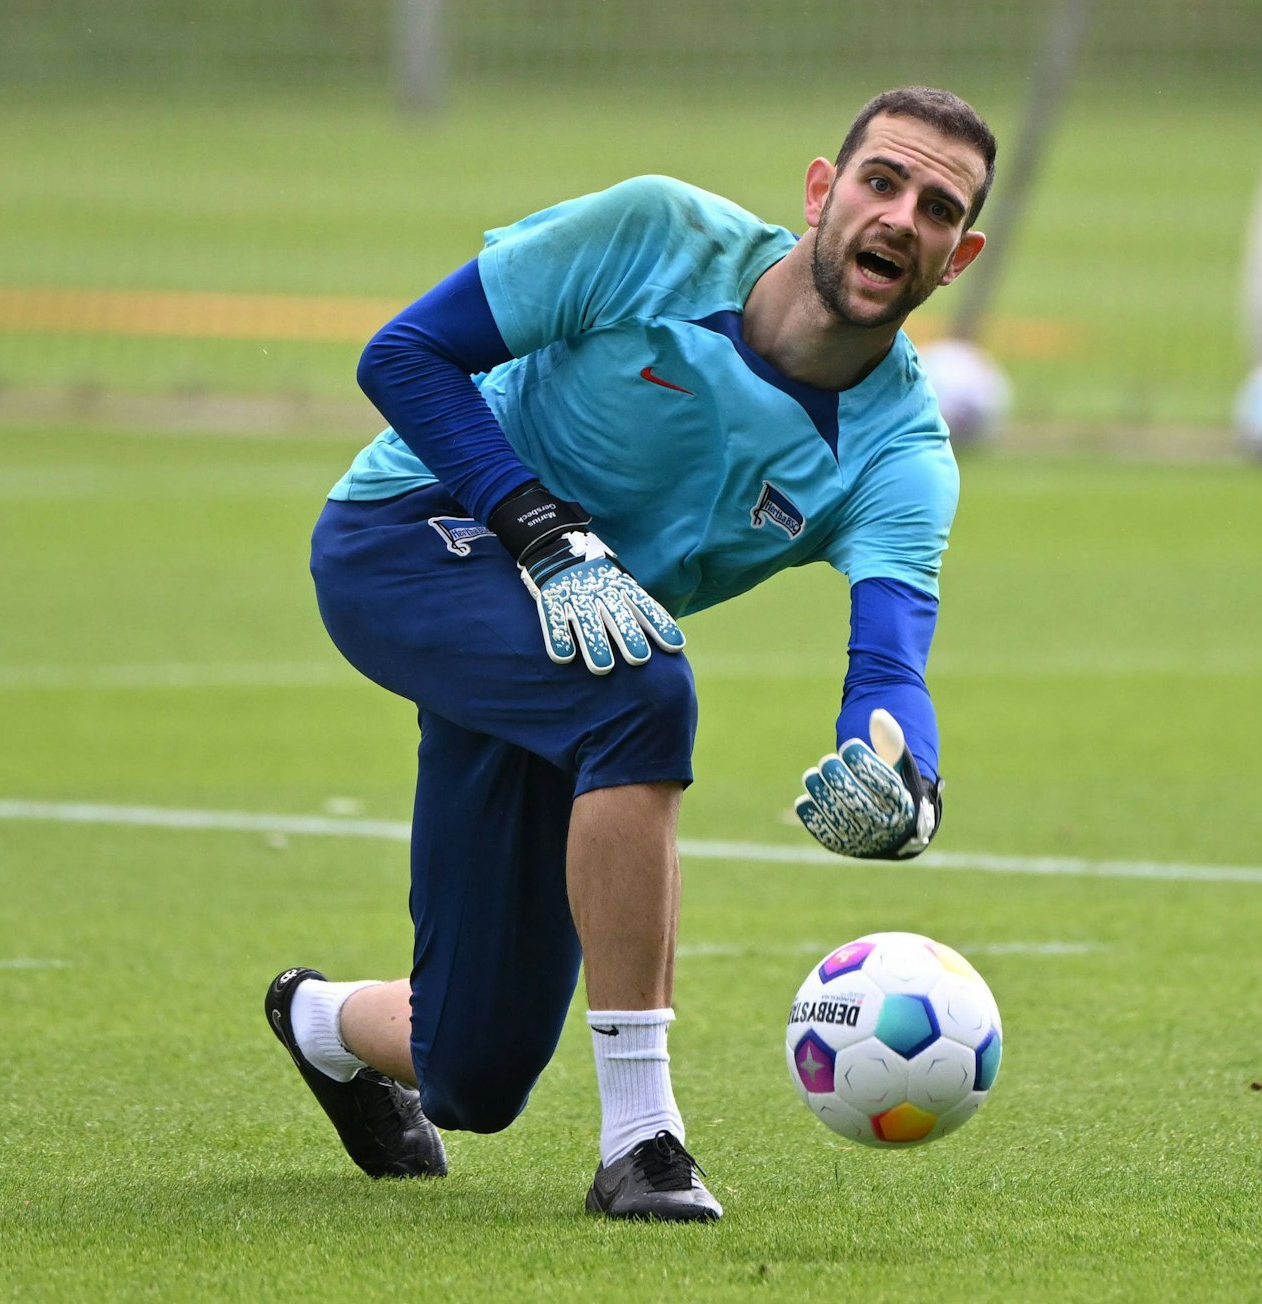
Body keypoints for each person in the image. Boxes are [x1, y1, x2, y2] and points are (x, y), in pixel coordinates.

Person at [264, 86, 997, 1222]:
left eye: (937, 207)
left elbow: (888, 669)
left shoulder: (901, 450)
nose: (902, 216)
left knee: (474, 1072)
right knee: (645, 695)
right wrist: (540, 527)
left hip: (573, 636)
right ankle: (641, 1143)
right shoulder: (655, 235)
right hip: (410, 534)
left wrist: (906, 779)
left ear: (958, 256)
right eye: (882, 182)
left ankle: (317, 1021)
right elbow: (404, 356)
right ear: (821, 190)